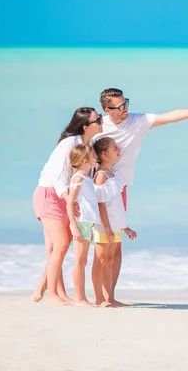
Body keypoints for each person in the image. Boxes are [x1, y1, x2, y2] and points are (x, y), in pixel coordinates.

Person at [90, 88, 188, 300]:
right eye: (120, 106)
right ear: (108, 109)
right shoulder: (99, 127)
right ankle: (96, 298)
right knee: (101, 248)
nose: (126, 108)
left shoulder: (137, 121)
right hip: (99, 189)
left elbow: (169, 116)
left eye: (126, 103)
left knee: (116, 246)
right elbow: (77, 149)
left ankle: (110, 297)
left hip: (120, 189)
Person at [32, 107, 103, 304]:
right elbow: (58, 179)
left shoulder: (86, 144)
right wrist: (68, 200)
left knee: (57, 247)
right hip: (50, 195)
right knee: (61, 244)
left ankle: (52, 292)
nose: (102, 122)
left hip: (63, 197)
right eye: (98, 120)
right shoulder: (70, 144)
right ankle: (52, 294)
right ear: (85, 126)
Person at [91, 137, 137, 307]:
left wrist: (125, 227)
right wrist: (108, 228)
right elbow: (101, 204)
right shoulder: (101, 176)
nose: (118, 150)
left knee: (109, 260)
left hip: (116, 225)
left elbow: (116, 205)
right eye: (114, 149)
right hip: (105, 226)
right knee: (101, 260)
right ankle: (99, 299)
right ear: (104, 154)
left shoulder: (114, 175)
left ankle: (109, 297)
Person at [66, 144, 100, 307]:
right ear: (85, 160)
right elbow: (70, 202)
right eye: (94, 156)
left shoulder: (85, 178)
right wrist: (73, 225)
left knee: (83, 260)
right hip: (81, 223)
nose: (96, 158)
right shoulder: (78, 178)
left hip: (87, 222)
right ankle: (79, 298)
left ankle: (82, 297)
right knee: (79, 261)